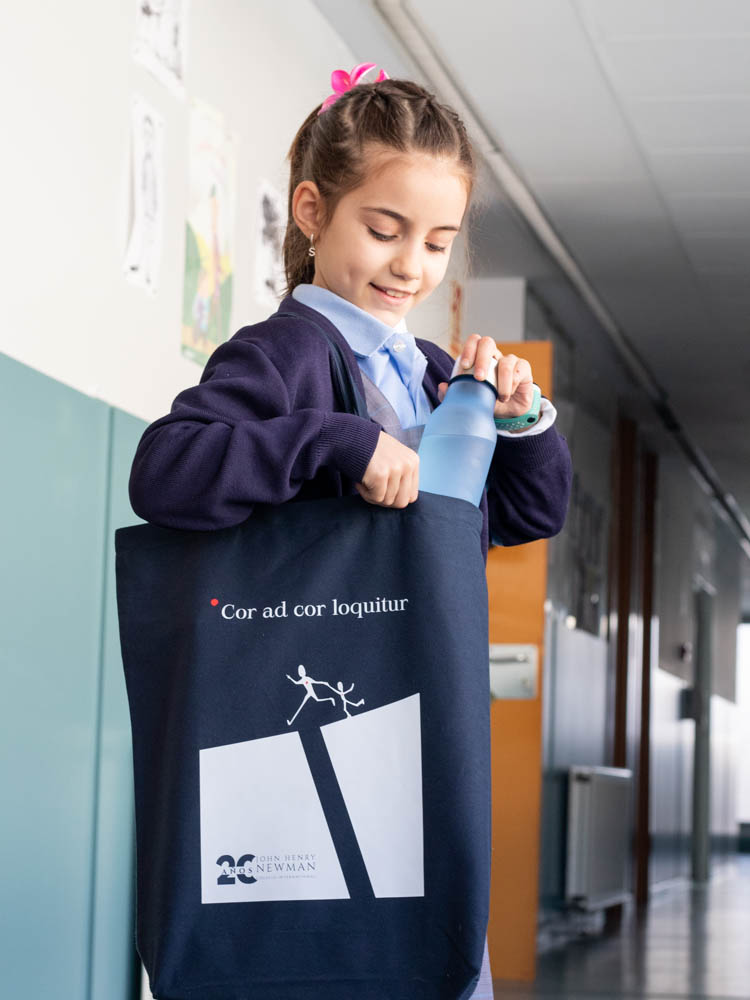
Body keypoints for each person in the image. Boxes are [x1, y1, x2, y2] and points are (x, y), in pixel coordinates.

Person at [129, 63, 572, 999]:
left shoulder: (435, 370)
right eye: (384, 229)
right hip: (311, 733)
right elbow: (165, 470)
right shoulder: (282, 352)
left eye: (439, 241)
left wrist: (523, 425)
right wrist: (332, 439)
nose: (411, 264)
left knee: (433, 952)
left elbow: (528, 516)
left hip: (412, 733)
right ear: (310, 211)